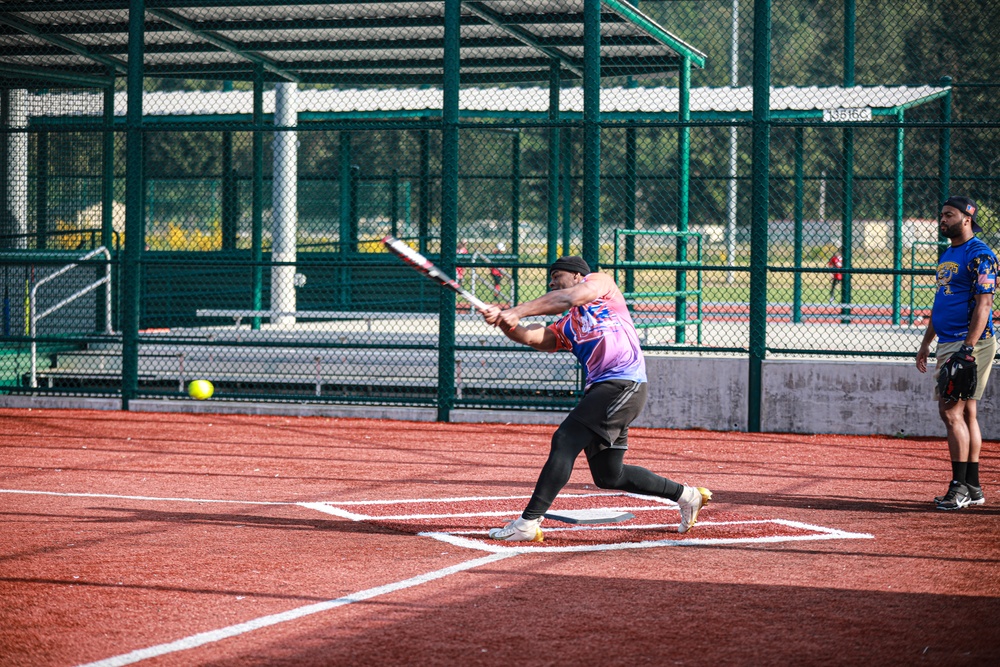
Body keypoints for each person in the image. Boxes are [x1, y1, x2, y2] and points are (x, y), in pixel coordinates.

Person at [481, 256, 712, 541]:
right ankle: (688, 496)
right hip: (608, 391)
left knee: (565, 439)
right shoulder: (566, 326)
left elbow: (569, 297)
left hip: (622, 383)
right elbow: (531, 337)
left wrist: (517, 310)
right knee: (608, 476)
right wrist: (502, 321)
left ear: (578, 275)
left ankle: (527, 523)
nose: (552, 281)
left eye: (557, 275)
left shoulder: (601, 285)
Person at [916, 196, 997, 511]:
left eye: (948, 215)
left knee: (950, 413)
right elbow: (942, 302)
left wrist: (967, 349)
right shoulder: (949, 253)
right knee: (966, 413)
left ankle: (958, 487)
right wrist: (926, 342)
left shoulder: (981, 255)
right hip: (948, 340)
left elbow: (985, 305)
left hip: (969, 342)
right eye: (942, 215)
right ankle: (973, 486)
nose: (942, 220)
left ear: (967, 218)